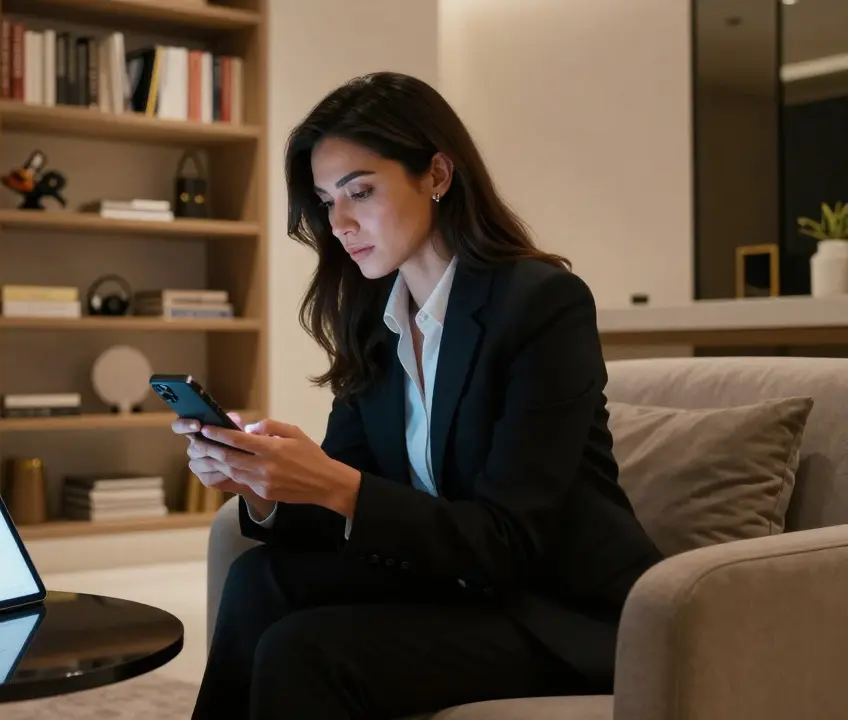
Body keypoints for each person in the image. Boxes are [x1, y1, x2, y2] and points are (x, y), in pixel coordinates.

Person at [172, 72, 665, 720]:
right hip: (450, 582)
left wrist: (333, 483)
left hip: (554, 607)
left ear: (437, 174)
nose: (340, 223)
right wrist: (263, 483)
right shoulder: (375, 316)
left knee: (305, 650)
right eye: (326, 201)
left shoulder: (541, 305)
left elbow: (507, 541)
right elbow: (359, 493)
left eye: (361, 192)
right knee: (258, 581)